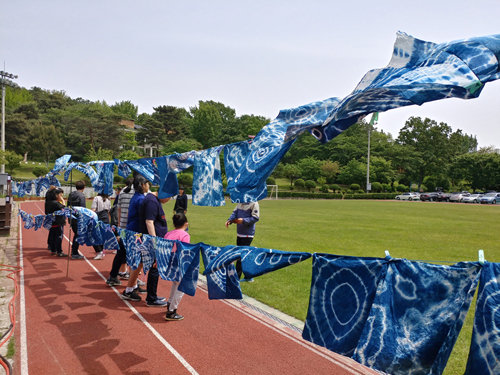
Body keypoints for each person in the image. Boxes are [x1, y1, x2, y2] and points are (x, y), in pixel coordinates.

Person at [121, 176, 167, 307]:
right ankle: (130, 289)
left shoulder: (137, 197)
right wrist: (153, 240)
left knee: (139, 262)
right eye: (147, 184)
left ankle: (131, 287)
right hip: (137, 233)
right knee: (138, 262)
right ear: (142, 185)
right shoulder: (142, 199)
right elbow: (148, 219)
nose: (149, 186)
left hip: (135, 231)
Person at [140, 189, 170, 307]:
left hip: (155, 239)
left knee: (154, 267)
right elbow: (149, 222)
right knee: (155, 267)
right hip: (153, 241)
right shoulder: (152, 201)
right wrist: (154, 241)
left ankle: (152, 295)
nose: (168, 201)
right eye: (169, 197)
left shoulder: (154, 200)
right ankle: (151, 298)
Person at [106, 178, 134, 286]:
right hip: (131, 227)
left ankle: (113, 276)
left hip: (122, 225)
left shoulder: (122, 192)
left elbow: (118, 209)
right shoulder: (135, 192)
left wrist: (119, 225)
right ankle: (133, 281)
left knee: (121, 253)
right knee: (132, 254)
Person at [163, 213, 189, 321]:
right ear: (186, 224)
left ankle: (170, 303)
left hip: (169, 260)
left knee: (175, 283)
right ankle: (172, 310)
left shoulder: (168, 233)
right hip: (178, 260)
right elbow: (185, 251)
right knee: (182, 286)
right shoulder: (185, 235)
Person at [225, 201, 260, 281]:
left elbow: (255, 218)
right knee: (244, 255)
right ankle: (249, 275)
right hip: (239, 233)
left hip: (248, 234)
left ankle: (236, 278)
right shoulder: (240, 203)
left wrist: (243, 220)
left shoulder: (254, 203)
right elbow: (235, 212)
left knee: (240, 256)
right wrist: (229, 220)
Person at [45, 188, 68, 257]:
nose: (61, 196)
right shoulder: (55, 203)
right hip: (58, 222)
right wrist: (63, 200)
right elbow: (64, 208)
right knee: (58, 236)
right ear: (56, 195)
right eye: (60, 195)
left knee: (52, 236)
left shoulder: (47, 202)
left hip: (51, 222)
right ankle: (59, 251)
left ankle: (53, 250)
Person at [67, 181, 86, 260]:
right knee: (77, 235)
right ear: (84, 188)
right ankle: (74, 252)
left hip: (71, 216)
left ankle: (74, 251)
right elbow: (82, 209)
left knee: (76, 234)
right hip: (78, 218)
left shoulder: (71, 194)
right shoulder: (82, 196)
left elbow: (68, 206)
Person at [91, 193, 111, 260]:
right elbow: (109, 211)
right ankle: (101, 251)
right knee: (102, 236)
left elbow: (93, 210)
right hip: (106, 218)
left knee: (94, 235)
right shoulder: (108, 199)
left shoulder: (96, 198)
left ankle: (99, 251)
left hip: (99, 217)